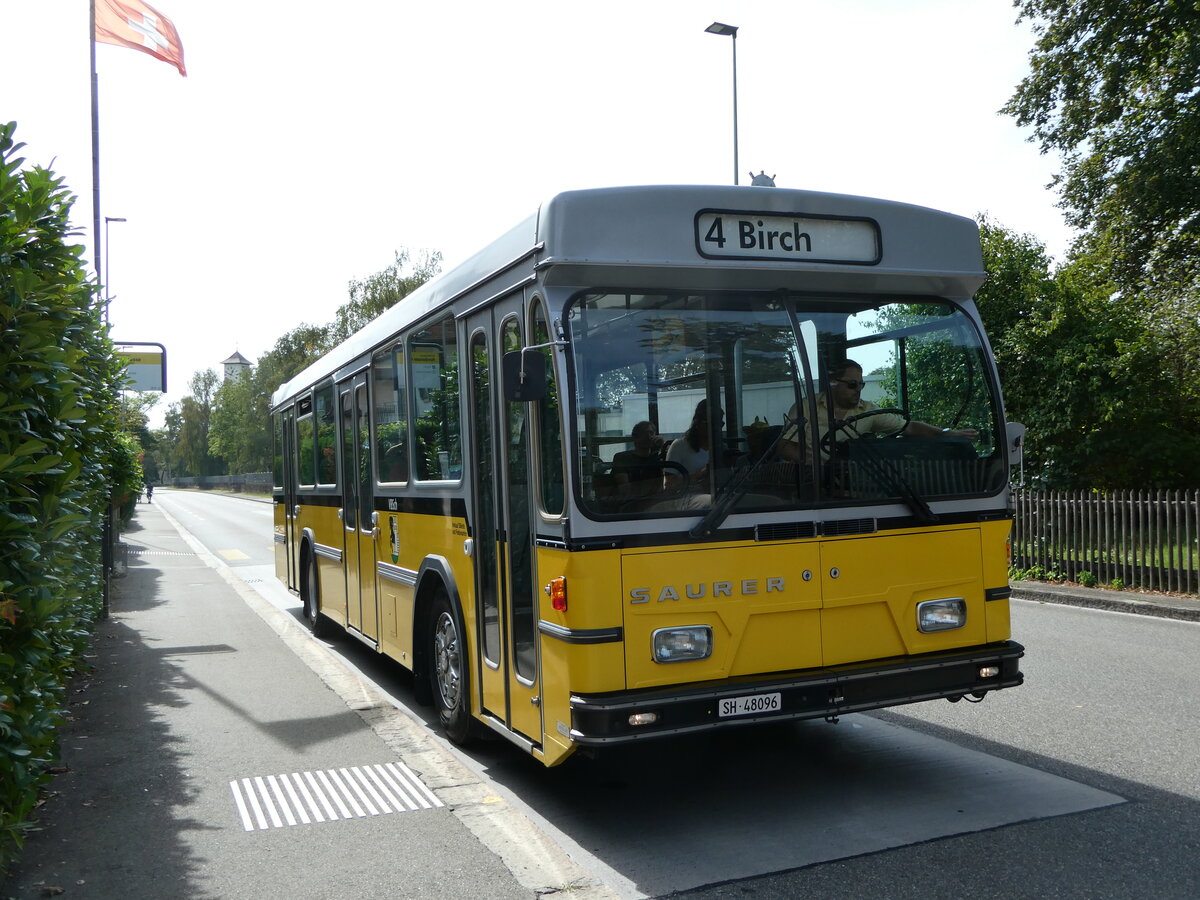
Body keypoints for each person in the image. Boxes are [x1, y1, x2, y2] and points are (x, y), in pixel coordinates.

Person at [779, 359, 977, 461]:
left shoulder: (868, 411)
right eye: (852, 384)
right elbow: (786, 446)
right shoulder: (805, 407)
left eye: (861, 385)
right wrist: (816, 466)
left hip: (852, 481)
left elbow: (908, 428)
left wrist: (945, 433)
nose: (858, 390)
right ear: (832, 383)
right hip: (808, 486)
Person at [666, 399, 724, 488]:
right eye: (710, 423)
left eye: (720, 424)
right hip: (686, 497)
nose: (716, 428)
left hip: (717, 495)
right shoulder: (679, 446)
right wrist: (702, 473)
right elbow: (669, 484)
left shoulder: (722, 448)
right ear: (697, 422)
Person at [611, 421, 667, 496]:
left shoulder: (657, 457)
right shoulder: (622, 458)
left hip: (657, 502)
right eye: (644, 433)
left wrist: (662, 448)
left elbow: (666, 483)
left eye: (651, 433)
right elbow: (625, 490)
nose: (649, 437)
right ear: (635, 437)